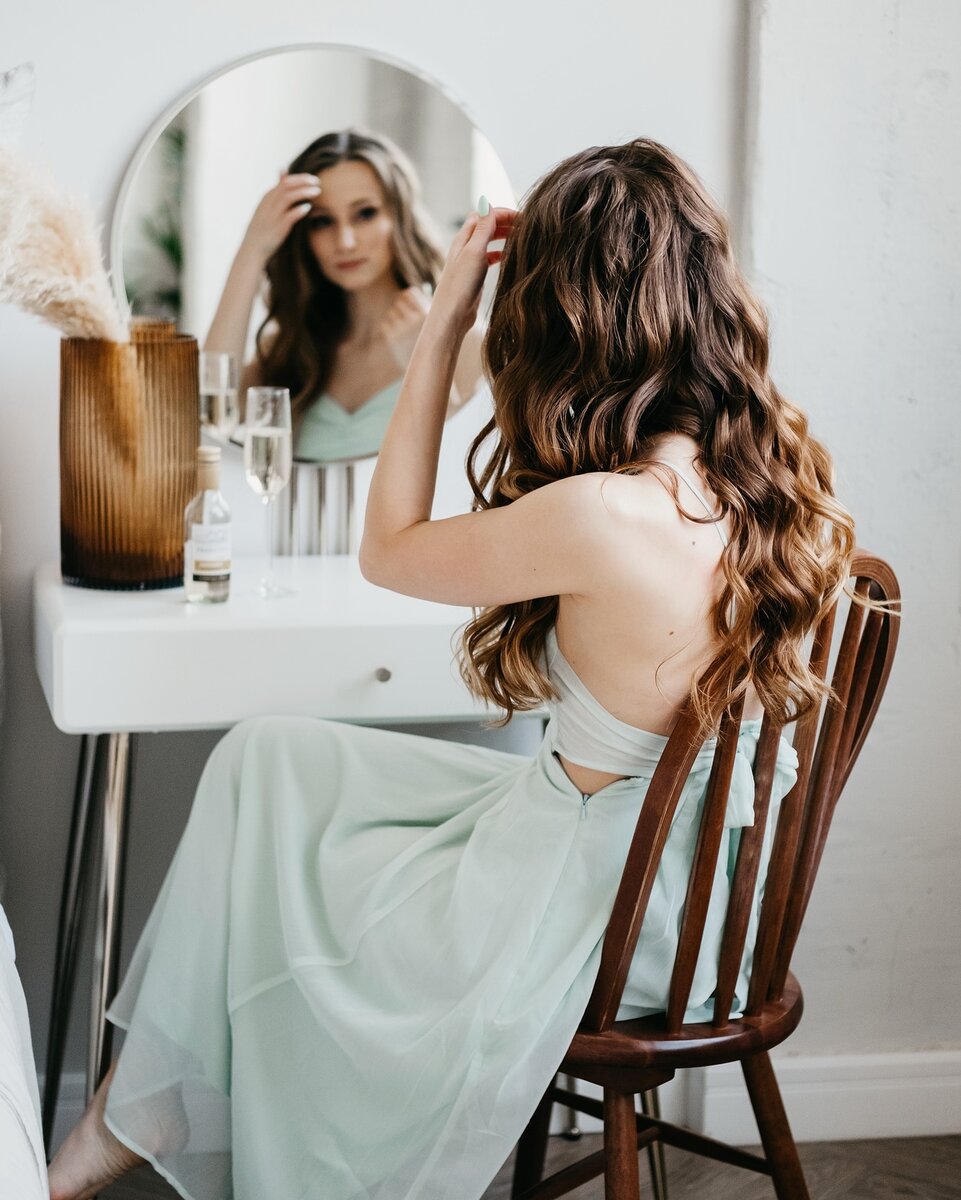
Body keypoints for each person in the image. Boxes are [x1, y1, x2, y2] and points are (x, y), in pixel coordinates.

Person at [49, 138, 855, 1200]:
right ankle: (149, 1101)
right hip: (693, 903)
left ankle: (141, 1107)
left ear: (561, 319)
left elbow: (386, 552)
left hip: (604, 916)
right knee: (266, 761)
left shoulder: (603, 514)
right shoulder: (756, 477)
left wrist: (439, 330)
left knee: (290, 842)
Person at [204, 127, 484, 463]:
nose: (345, 241)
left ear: (400, 217)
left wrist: (428, 361)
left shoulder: (467, 343)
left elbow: (470, 468)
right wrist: (252, 249)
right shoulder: (290, 350)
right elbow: (210, 418)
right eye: (322, 221)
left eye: (365, 213)